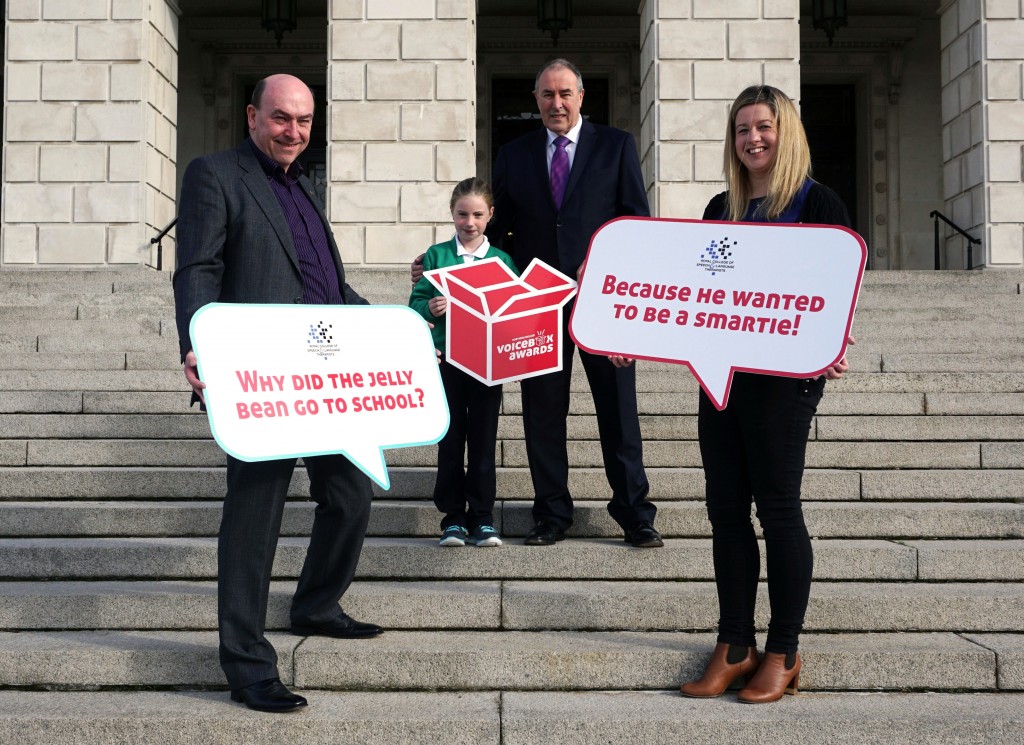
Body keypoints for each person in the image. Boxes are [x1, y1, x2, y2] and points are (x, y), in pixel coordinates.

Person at [173, 73, 382, 714]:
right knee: (254, 518)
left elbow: (329, 286)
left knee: (349, 491)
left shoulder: (307, 189)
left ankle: (316, 603)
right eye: (282, 118)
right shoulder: (215, 174)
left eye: (305, 120)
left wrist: (389, 329)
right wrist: (196, 339)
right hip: (259, 376)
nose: (294, 131)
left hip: (324, 375)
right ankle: (246, 664)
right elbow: (198, 266)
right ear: (252, 117)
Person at [410, 58, 660, 548]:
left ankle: (634, 513)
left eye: (565, 93)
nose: (557, 103)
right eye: (547, 95)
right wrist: (442, 263)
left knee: (619, 411)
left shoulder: (617, 146)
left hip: (602, 302)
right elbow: (490, 228)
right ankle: (551, 513)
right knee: (543, 411)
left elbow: (636, 223)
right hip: (536, 304)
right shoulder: (514, 153)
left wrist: (609, 270)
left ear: (582, 96)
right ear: (536, 100)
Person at [679, 84, 854, 705]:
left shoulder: (818, 203)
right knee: (725, 510)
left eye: (764, 127)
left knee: (777, 509)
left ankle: (783, 648)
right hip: (722, 375)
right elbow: (693, 294)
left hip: (784, 381)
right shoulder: (720, 207)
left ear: (787, 133)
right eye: (742, 129)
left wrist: (829, 339)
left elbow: (836, 286)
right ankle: (734, 646)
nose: (753, 138)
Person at [409, 178, 518, 548]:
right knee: (451, 441)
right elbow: (416, 301)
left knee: (484, 441)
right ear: (451, 214)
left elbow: (514, 311)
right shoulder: (437, 255)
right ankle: (453, 518)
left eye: (476, 215)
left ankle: (483, 518)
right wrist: (430, 307)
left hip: (487, 365)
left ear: (490, 216)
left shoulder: (502, 261)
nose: (469, 222)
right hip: (447, 362)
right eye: (461, 214)